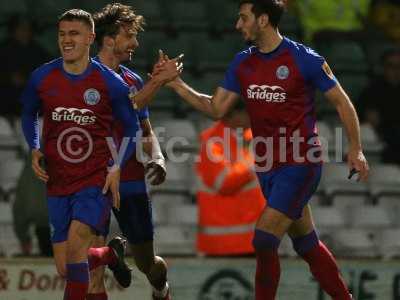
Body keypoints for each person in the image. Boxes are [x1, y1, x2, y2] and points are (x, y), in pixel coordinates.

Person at [159, 1, 369, 299]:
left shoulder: (304, 58)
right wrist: (177, 84)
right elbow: (217, 108)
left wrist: (356, 149)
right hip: (267, 166)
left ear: (263, 20)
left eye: (243, 18)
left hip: (301, 161)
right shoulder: (243, 63)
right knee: (306, 243)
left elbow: (341, 101)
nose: (237, 24)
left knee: (264, 239)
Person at [20, 9, 141, 300]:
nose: (66, 40)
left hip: (94, 181)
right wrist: (35, 146)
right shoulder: (43, 77)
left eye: (74, 34)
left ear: (90, 37)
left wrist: (116, 168)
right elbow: (28, 114)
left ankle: (105, 255)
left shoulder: (111, 83)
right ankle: (110, 255)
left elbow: (131, 127)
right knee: (66, 268)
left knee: (76, 251)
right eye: (62, 34)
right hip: (58, 180)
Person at [87, 3, 179, 300]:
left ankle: (160, 288)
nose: (136, 43)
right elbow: (117, 111)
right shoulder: (84, 76)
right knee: (92, 275)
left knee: (147, 264)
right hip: (92, 179)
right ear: (109, 39)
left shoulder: (133, 80)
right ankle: (111, 257)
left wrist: (158, 158)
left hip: (129, 179)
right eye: (130, 36)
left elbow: (146, 131)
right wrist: (157, 83)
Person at [196, 100, 265, 256]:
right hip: (223, 243)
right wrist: (253, 163)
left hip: (251, 240)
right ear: (233, 116)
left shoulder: (251, 137)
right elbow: (223, 184)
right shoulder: (212, 142)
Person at [358, 48, 400, 165]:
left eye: (399, 67)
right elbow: (372, 121)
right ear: (383, 68)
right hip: (383, 143)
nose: (396, 71)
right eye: (391, 66)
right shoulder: (372, 91)